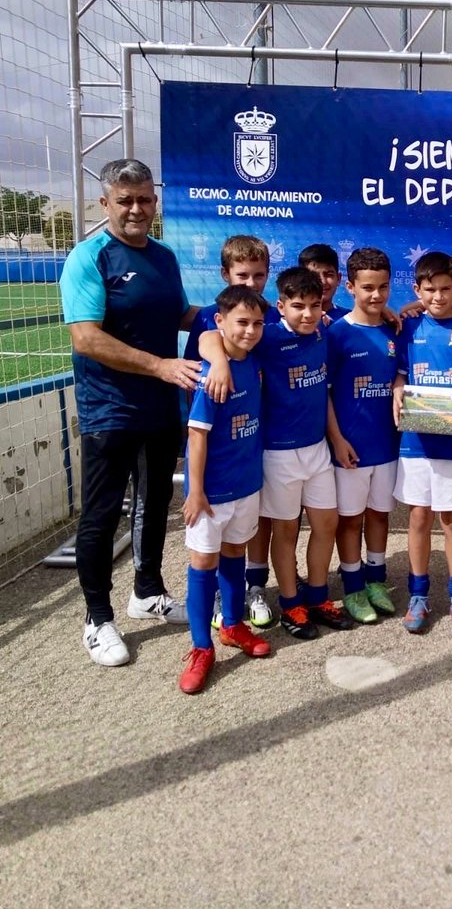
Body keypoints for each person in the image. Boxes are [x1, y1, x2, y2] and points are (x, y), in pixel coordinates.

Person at [60, 158, 202, 667]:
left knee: (155, 502)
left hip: (160, 407)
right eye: (125, 201)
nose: (136, 209)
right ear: (105, 203)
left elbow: (182, 315)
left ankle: (147, 592)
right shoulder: (88, 257)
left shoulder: (163, 257)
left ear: (154, 202)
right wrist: (160, 365)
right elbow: (86, 337)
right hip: (109, 410)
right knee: (101, 514)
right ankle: (97, 619)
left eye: (144, 199)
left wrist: (244, 313)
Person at [200, 266, 350, 640]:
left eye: (315, 305)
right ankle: (290, 603)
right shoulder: (266, 336)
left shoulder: (323, 333)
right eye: (298, 306)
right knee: (286, 531)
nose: (307, 314)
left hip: (317, 450)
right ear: (280, 307)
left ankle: (318, 596)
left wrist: (336, 438)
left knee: (326, 524)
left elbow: (324, 392)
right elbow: (209, 336)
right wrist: (218, 361)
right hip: (278, 454)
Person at [184, 233, 280, 629]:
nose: (251, 283)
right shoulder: (213, 317)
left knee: (250, 526)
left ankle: (251, 588)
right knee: (210, 548)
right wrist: (220, 363)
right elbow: (207, 341)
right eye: (242, 276)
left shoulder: (271, 314)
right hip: (220, 443)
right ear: (225, 274)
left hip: (257, 443)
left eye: (259, 275)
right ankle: (210, 619)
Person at [392, 250, 452, 636]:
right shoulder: (408, 326)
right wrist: (398, 391)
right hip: (416, 441)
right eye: (430, 290)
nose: (438, 296)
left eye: (445, 289)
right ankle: (418, 595)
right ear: (417, 290)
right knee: (418, 517)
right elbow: (401, 375)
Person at [179, 286, 271, 694]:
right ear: (220, 322)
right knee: (203, 563)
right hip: (211, 493)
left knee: (235, 554)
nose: (250, 331)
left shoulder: (254, 363)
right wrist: (195, 492)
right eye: (242, 323)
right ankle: (201, 647)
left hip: (246, 485)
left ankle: (232, 626)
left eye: (257, 324)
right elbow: (197, 436)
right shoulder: (210, 375)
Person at [326, 247, 400, 623]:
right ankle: (353, 587)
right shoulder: (336, 334)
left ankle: (376, 580)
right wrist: (337, 440)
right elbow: (323, 394)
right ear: (351, 287)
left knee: (380, 516)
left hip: (386, 446)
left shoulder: (394, 329)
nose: (376, 295)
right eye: (368, 287)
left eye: (383, 287)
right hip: (350, 449)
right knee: (350, 520)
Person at [298, 243, 351, 322]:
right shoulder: (288, 318)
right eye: (314, 276)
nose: (323, 282)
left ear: (338, 278)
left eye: (329, 274)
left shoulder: (349, 320)